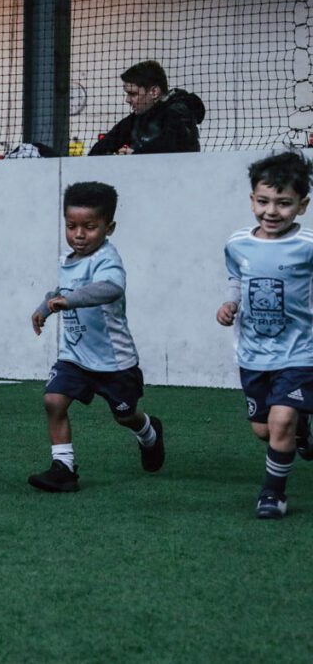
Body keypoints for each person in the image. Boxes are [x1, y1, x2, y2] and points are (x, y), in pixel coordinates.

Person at [29, 181, 164, 492]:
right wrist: (44, 308)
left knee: (125, 415)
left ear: (109, 227)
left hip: (113, 362)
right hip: (74, 357)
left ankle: (149, 432)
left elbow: (111, 288)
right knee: (53, 400)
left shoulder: (107, 259)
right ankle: (63, 468)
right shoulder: (68, 260)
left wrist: (71, 300)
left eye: (89, 227)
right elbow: (61, 292)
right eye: (71, 225)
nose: (79, 234)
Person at [216, 151, 313, 519]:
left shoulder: (308, 246)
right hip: (254, 354)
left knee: (280, 421)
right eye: (263, 201)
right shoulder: (238, 243)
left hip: (300, 352)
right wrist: (230, 304)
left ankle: (272, 494)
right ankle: (301, 424)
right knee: (263, 430)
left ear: (302, 206)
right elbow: (236, 280)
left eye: (284, 203)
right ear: (252, 199)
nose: (272, 211)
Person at [88, 60, 205, 156]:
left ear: (154, 92)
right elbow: (101, 148)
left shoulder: (179, 112)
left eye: (133, 94)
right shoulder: (135, 120)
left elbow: (171, 144)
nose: (127, 100)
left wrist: (135, 155)